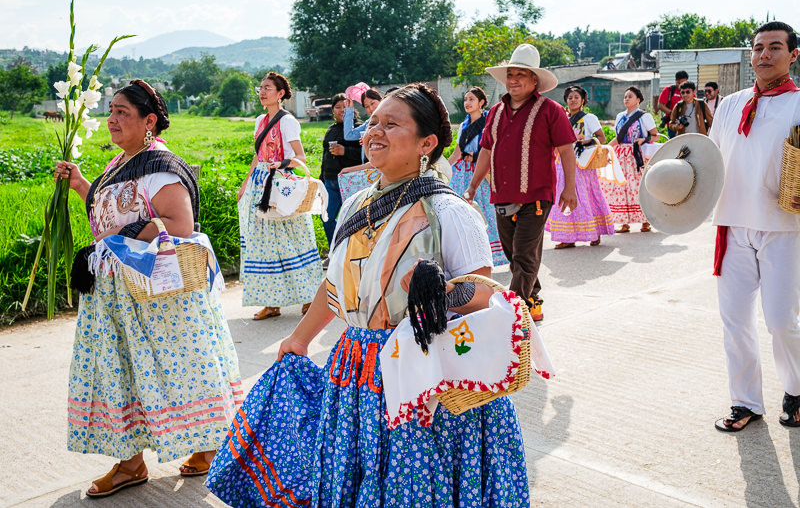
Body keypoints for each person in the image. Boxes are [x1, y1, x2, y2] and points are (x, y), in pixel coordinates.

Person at [206, 83, 531, 506]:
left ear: (426, 143)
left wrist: (436, 290)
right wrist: (300, 338)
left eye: (391, 124)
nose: (373, 131)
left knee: (413, 479)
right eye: (372, 123)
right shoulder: (357, 201)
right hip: (357, 365)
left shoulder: (452, 214)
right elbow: (335, 283)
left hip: (422, 372)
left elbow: (482, 296)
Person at [54, 80, 242, 497]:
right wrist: (82, 184)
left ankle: (207, 447)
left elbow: (181, 226)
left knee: (173, 368)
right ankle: (131, 462)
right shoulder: (119, 162)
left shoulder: (160, 166)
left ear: (149, 121)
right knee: (121, 371)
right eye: (111, 110)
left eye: (122, 112)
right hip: (113, 295)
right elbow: (108, 213)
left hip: (152, 294)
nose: (112, 119)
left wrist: (127, 232)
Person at [709, 21, 800, 432]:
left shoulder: (799, 104)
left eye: (775, 47)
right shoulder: (730, 104)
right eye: (758, 47)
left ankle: (797, 390)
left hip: (784, 226)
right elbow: (708, 159)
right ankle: (745, 402)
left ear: (793, 55)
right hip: (732, 224)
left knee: (782, 320)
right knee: (735, 320)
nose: (764, 54)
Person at [464, 43, 577, 322]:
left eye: (520, 75)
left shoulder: (551, 110)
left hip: (538, 195)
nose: (513, 80)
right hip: (501, 194)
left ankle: (510, 315)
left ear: (534, 80)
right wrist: (474, 185)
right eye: (510, 74)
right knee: (514, 253)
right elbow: (486, 151)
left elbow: (566, 150)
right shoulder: (495, 112)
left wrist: (570, 187)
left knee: (525, 254)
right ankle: (532, 298)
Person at [238, 71, 323, 319]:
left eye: (268, 88)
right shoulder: (259, 121)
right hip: (260, 184)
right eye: (260, 88)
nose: (262, 92)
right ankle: (271, 302)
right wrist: (245, 184)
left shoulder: (288, 121)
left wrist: (281, 164)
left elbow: (301, 158)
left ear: (281, 93)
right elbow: (258, 155)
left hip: (282, 186)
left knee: (294, 240)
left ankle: (309, 297)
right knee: (263, 244)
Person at [545, 86, 614, 248]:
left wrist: (585, 142)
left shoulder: (589, 118)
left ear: (583, 100)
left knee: (587, 196)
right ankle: (567, 237)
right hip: (563, 163)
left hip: (583, 163)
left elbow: (601, 138)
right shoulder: (561, 118)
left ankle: (594, 232)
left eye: (577, 97)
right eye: (570, 97)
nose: (573, 100)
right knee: (564, 196)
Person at [448, 86, 508, 266]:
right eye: (466, 99)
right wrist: (443, 168)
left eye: (471, 99)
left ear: (482, 102)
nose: (467, 102)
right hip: (461, 173)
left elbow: (494, 148)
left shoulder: (489, 122)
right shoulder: (464, 125)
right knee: (461, 213)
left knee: (486, 212)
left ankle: (493, 254)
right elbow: (457, 152)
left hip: (481, 172)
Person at [601, 86, 658, 234]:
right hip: (621, 155)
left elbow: (655, 136)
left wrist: (643, 139)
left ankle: (646, 221)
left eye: (630, 96)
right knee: (621, 188)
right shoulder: (620, 116)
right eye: (625, 96)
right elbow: (618, 139)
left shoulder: (644, 116)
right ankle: (624, 222)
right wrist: (605, 148)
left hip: (636, 155)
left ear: (638, 100)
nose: (626, 99)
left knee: (639, 187)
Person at [320, 93, 362, 243]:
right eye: (338, 107)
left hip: (350, 182)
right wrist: (321, 179)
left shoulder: (359, 128)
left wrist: (345, 151)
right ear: (332, 110)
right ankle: (335, 251)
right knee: (326, 218)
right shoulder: (331, 129)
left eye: (345, 106)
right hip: (330, 182)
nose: (341, 110)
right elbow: (325, 157)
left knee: (353, 220)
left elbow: (366, 156)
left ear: (352, 108)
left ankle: (350, 253)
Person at [657, 70, 689, 138]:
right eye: (678, 83)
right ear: (675, 81)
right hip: (673, 124)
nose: (680, 85)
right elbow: (660, 105)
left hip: (687, 123)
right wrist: (673, 113)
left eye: (683, 83)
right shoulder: (669, 90)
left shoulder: (689, 92)